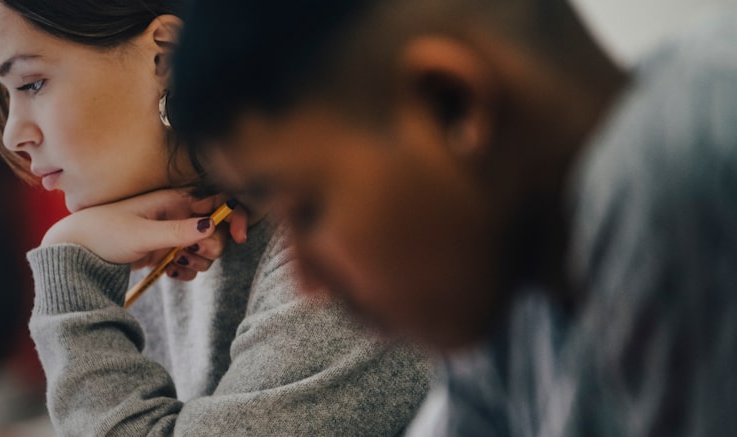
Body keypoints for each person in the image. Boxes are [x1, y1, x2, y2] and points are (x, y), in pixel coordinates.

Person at [168, 0, 737, 435]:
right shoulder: (512, 302)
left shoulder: (678, 153)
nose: (308, 283)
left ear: (449, 105)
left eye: (307, 209)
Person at [0, 0, 430, 434]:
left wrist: (72, 280)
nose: (13, 135)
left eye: (31, 83)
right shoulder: (139, 234)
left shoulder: (344, 249)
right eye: (7, 93)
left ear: (164, 58)